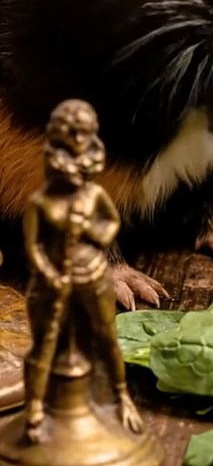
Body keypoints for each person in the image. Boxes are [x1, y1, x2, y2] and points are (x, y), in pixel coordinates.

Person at [23, 99, 142, 442]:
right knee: (44, 344)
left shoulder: (95, 194)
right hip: (52, 279)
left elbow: (108, 224)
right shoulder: (41, 199)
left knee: (106, 339)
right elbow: (32, 242)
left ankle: (120, 398)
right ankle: (35, 410)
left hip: (91, 272)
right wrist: (48, 269)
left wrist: (93, 243)